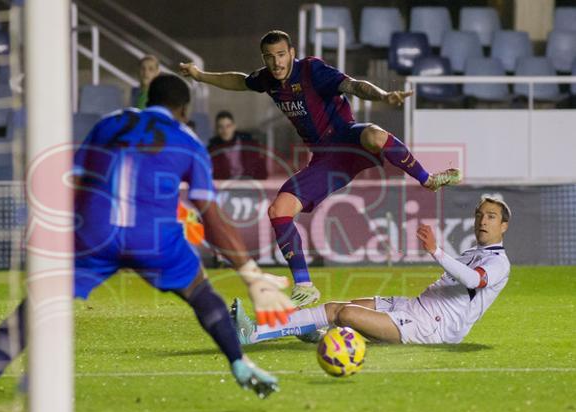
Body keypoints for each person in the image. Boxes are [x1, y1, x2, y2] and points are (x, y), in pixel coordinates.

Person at [0, 74, 295, 412]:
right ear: (184, 111)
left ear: (145, 100)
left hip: (94, 232)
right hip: (151, 235)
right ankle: (239, 363)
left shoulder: (108, 123)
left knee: (30, 311)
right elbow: (211, 217)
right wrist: (250, 273)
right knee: (200, 292)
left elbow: (71, 184)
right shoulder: (187, 140)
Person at [180, 30, 462, 308]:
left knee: (375, 134)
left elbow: (354, 85)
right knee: (278, 211)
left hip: (349, 138)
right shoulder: (268, 79)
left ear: (291, 53)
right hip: (327, 160)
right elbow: (241, 81)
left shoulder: (311, 70)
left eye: (281, 55)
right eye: (270, 57)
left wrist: (383, 96)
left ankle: (427, 179)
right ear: (264, 59)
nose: (277, 63)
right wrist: (200, 76)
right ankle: (305, 286)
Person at [232, 196, 511, 345]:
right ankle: (308, 329)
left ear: (503, 226)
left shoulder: (498, 262)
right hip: (413, 307)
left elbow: (474, 280)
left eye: (491, 217)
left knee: (345, 315)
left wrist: (436, 251)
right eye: (479, 215)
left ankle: (252, 335)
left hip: (432, 329)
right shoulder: (473, 253)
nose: (482, 221)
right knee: (337, 307)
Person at [207, 110, 266, 179]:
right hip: (224, 187)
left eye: (228, 126)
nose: (225, 130)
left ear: (234, 126)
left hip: (249, 186)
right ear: (216, 129)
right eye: (221, 127)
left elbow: (261, 171)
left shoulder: (249, 146)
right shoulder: (213, 150)